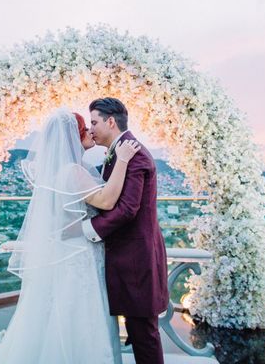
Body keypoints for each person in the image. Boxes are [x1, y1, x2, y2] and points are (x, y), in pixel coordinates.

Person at [0, 108, 140, 364]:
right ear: (74, 136)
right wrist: (122, 159)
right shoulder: (73, 171)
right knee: (81, 316)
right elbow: (107, 200)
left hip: (66, 250)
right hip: (80, 254)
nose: (90, 131)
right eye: (85, 128)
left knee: (58, 314)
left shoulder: (62, 170)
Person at [82, 97, 169, 364]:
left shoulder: (135, 154)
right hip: (125, 260)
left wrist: (88, 229)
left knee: (144, 334)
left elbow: (128, 209)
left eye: (94, 122)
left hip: (136, 261)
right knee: (136, 329)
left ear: (111, 121)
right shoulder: (119, 153)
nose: (91, 128)